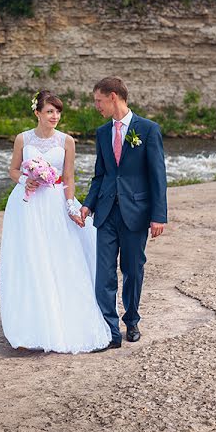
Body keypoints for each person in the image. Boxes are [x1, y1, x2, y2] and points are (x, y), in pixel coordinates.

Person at [0, 90, 112, 353]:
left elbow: (69, 177)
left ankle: (61, 322)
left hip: (54, 203)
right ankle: (29, 328)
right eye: (50, 111)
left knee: (60, 257)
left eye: (58, 112)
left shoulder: (67, 141)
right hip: (26, 207)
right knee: (30, 259)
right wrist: (25, 179)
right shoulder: (22, 139)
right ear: (37, 112)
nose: (55, 116)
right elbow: (13, 170)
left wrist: (71, 205)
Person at [80, 77, 168, 349]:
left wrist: (159, 215)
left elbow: (158, 176)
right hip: (105, 213)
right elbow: (101, 175)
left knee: (132, 269)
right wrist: (88, 204)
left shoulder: (149, 130)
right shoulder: (102, 132)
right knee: (104, 274)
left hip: (136, 212)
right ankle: (110, 330)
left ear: (114, 96)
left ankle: (131, 320)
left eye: (99, 100)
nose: (96, 106)